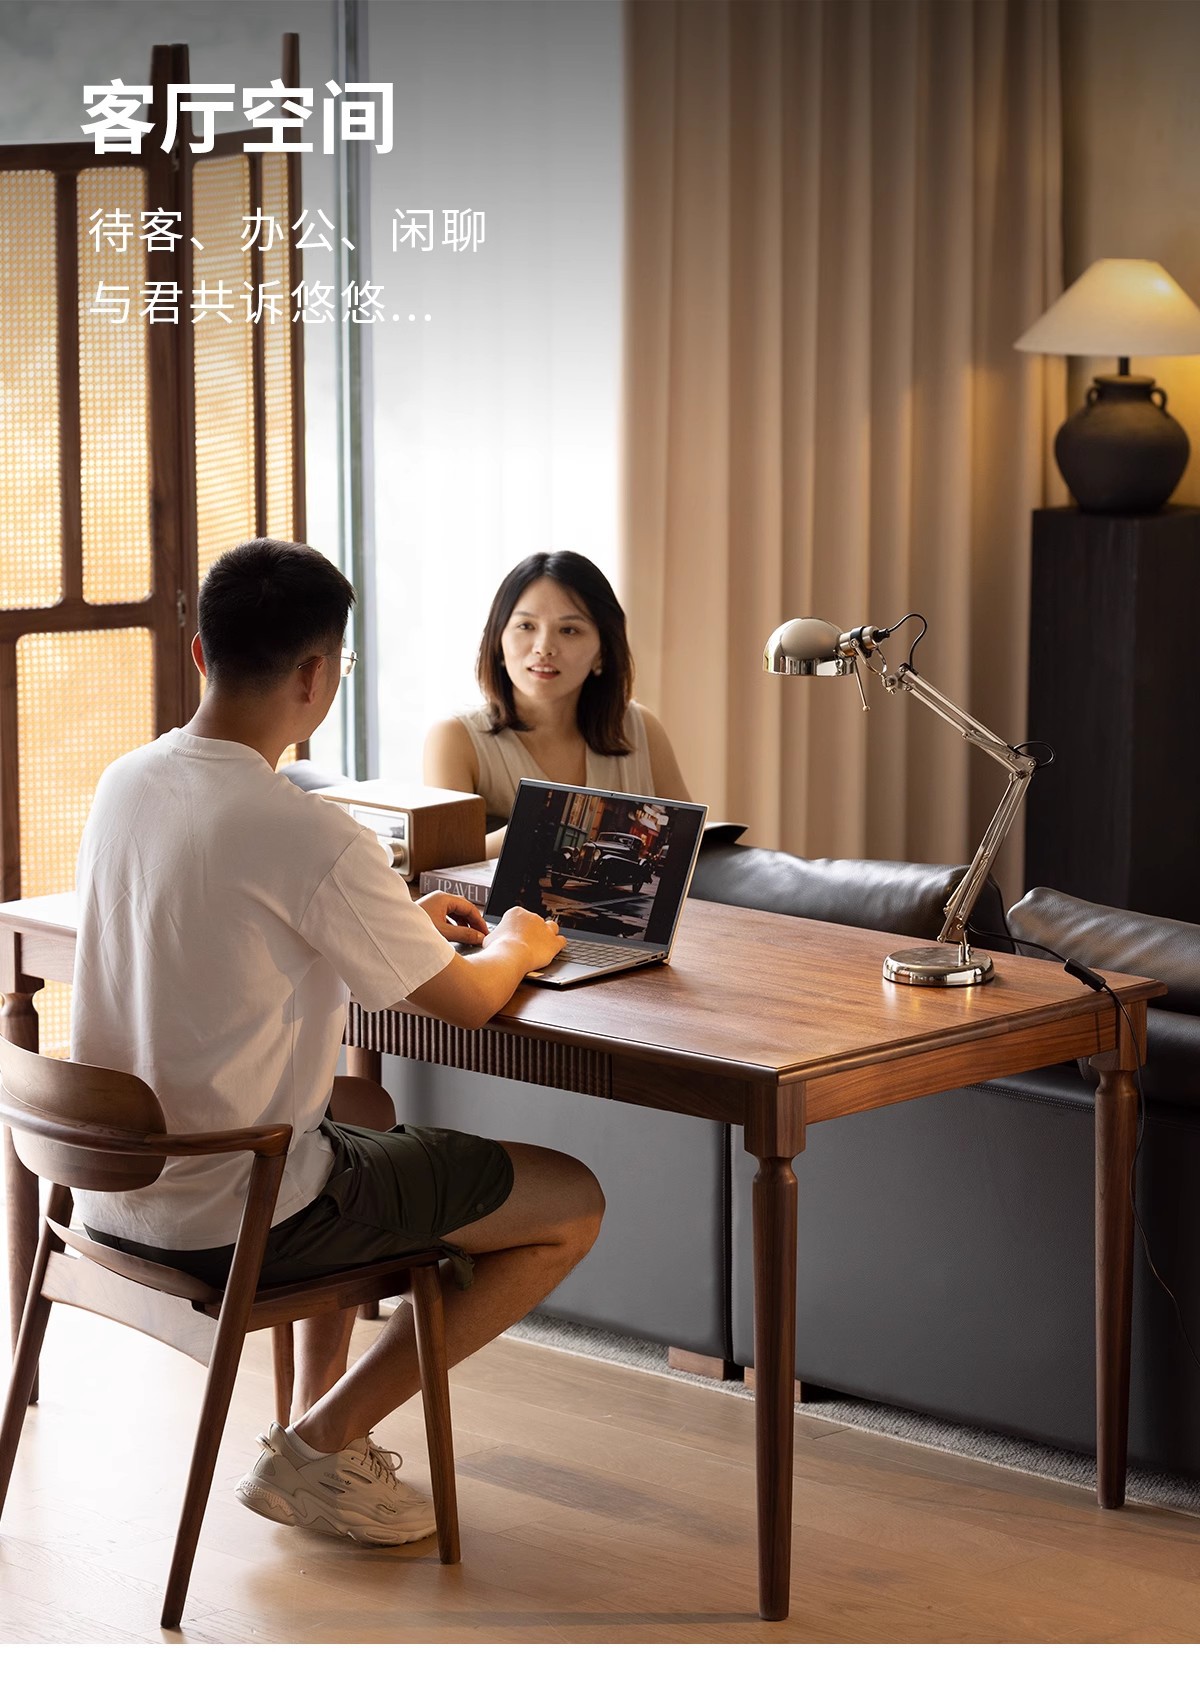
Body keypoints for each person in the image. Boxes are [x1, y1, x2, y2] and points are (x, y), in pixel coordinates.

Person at [71, 537, 604, 1548]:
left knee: (367, 1110)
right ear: (316, 677)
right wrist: (518, 941)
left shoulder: (125, 780)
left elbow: (241, 923)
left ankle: (310, 1428)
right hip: (239, 1210)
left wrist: (398, 918)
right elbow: (466, 1002)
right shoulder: (308, 830)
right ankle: (324, 1440)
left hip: (111, 1189)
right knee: (571, 1202)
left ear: (200, 652)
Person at [423, 550, 690, 856]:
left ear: (602, 651)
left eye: (569, 630)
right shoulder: (454, 739)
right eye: (526, 626)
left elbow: (689, 847)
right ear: (498, 640)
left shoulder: (640, 729)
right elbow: (440, 861)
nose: (544, 647)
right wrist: (529, 831)